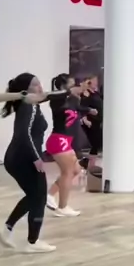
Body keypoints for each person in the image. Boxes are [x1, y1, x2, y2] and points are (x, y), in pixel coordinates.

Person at [0, 74, 57, 253]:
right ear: (26, 90)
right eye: (35, 85)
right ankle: (33, 242)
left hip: (18, 157)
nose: (40, 87)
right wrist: (36, 158)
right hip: (24, 158)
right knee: (39, 196)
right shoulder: (28, 105)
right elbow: (24, 134)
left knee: (34, 195)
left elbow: (47, 95)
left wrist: (66, 92)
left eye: (39, 83)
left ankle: (7, 229)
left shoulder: (31, 104)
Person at [45, 74, 94, 217]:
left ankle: (49, 195)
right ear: (63, 87)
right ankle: (63, 207)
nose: (75, 87)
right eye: (72, 85)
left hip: (65, 141)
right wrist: (71, 91)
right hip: (58, 140)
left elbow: (78, 107)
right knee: (67, 172)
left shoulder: (73, 100)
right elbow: (63, 100)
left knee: (76, 170)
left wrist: (88, 110)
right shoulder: (56, 99)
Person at [80, 75, 103, 170]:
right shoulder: (86, 93)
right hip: (90, 122)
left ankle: (89, 163)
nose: (96, 82)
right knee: (95, 143)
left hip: (97, 121)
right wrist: (85, 120)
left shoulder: (96, 93)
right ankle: (89, 164)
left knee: (97, 144)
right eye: (94, 80)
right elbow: (82, 106)